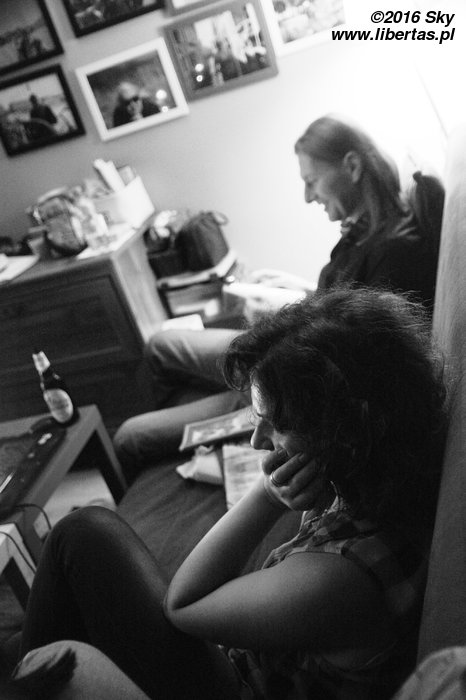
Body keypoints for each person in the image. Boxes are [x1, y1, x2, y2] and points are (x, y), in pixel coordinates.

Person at [16, 288, 446, 699]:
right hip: (251, 664)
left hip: (237, 689)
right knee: (83, 539)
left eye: (276, 424)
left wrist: (267, 496)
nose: (258, 441)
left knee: (82, 531)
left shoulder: (338, 580)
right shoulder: (379, 473)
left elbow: (183, 605)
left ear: (345, 432)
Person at [113, 114, 442, 479]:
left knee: (129, 438)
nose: (307, 196)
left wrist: (278, 321)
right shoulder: (365, 230)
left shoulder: (395, 253)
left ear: (352, 166)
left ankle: (218, 416)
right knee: (161, 345)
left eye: (311, 181)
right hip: (280, 351)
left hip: (282, 382)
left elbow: (345, 366)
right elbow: (346, 303)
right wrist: (296, 289)